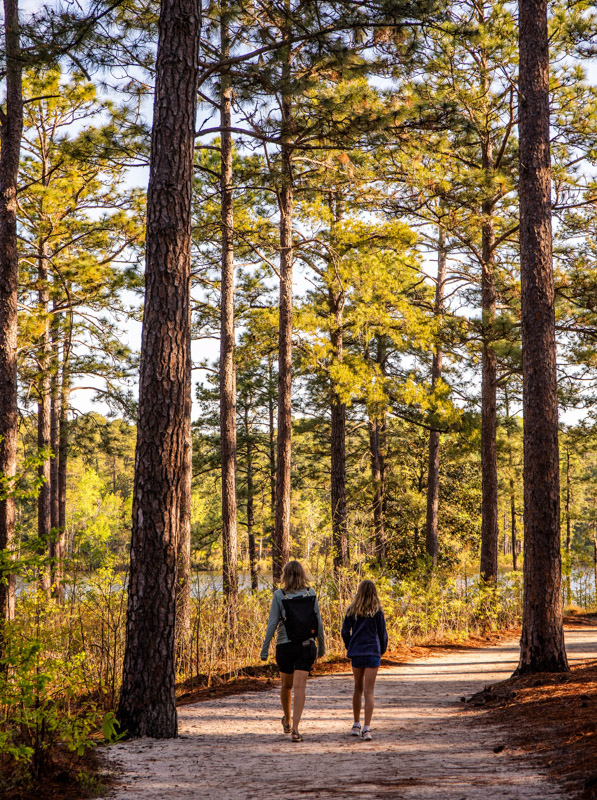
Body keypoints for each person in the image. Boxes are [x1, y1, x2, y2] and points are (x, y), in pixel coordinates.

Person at [261, 560, 325, 742]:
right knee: (300, 687)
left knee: (286, 686)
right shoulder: (310, 593)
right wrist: (322, 645)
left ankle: (287, 721)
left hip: (285, 647)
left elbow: (272, 623)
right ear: (302, 574)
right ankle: (296, 728)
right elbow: (318, 622)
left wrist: (264, 650)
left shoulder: (279, 595)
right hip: (306, 645)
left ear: (285, 575)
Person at [341, 579, 388, 741]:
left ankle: (356, 724)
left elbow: (345, 632)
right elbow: (383, 634)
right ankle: (367, 728)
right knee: (369, 691)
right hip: (372, 652)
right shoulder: (377, 612)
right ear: (374, 592)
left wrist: (350, 646)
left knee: (357, 688)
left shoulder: (352, 611)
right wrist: (381, 650)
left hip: (357, 653)